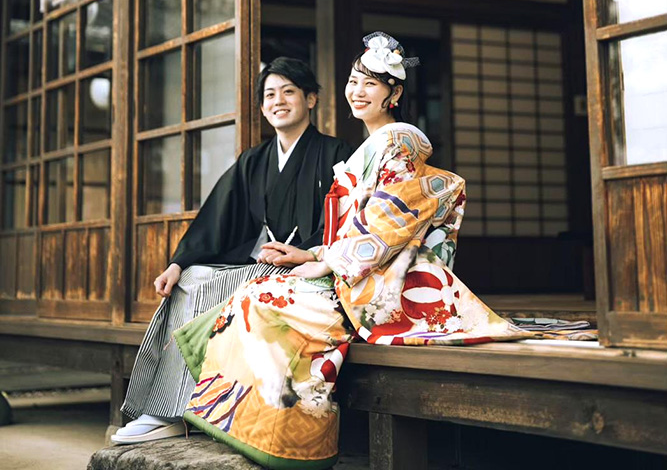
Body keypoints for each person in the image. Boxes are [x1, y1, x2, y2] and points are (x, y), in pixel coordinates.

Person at [173, 32, 530, 469]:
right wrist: (313, 256)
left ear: (393, 95)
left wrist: (322, 260)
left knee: (264, 301)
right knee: (252, 295)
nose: (358, 92)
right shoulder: (370, 146)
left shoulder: (398, 145)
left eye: (371, 84)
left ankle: (288, 438)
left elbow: (387, 227)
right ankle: (252, 424)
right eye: (353, 81)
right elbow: (356, 229)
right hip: (355, 270)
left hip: (379, 284)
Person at [112, 57, 351, 445]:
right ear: (262, 107)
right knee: (190, 280)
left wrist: (309, 254)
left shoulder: (336, 153)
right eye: (269, 95)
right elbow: (217, 218)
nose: (278, 101)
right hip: (264, 263)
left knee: (231, 286)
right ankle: (165, 406)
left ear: (311, 99)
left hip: (308, 270)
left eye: (289, 91)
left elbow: (349, 223)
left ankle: (182, 410)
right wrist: (179, 262)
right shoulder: (253, 161)